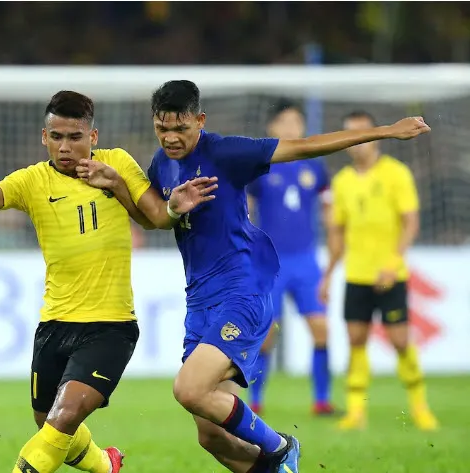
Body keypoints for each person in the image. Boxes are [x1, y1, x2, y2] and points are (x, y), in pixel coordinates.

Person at [76, 80, 430, 473]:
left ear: (200, 120)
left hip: (241, 291)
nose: (171, 137)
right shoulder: (162, 163)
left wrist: (386, 131)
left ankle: (280, 447)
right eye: (162, 128)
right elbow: (158, 219)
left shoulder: (227, 152)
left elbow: (306, 146)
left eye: (180, 128)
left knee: (189, 388)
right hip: (200, 301)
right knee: (211, 435)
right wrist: (117, 186)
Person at [0, 90, 213, 473]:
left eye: (75, 137)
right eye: (56, 137)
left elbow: (154, 217)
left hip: (110, 326)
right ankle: (106, 465)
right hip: (54, 323)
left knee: (64, 416)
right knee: (48, 422)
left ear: (93, 136)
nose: (65, 146)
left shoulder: (116, 163)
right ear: (44, 137)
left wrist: (153, 200)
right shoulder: (32, 181)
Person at [320, 110, 439, 431]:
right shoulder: (342, 182)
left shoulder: (396, 173)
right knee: (356, 340)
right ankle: (356, 411)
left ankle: (420, 407)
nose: (357, 141)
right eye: (351, 133)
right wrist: (328, 275)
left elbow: (410, 223)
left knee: (400, 340)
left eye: (362, 132)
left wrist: (392, 264)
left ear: (376, 136)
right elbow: (337, 234)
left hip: (391, 274)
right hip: (356, 275)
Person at [245, 101, 335, 416]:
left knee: (321, 328)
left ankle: (322, 400)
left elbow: (329, 213)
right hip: (271, 264)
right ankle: (255, 401)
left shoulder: (315, 167)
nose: (291, 128)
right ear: (271, 127)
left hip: (306, 261)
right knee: (266, 334)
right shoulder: (261, 164)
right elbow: (246, 211)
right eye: (284, 122)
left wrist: (332, 254)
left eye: (296, 121)